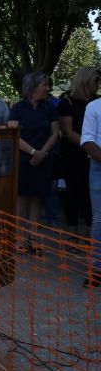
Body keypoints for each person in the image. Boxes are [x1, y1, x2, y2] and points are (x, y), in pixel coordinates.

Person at [7, 72, 60, 253]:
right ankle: (20, 239)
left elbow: (55, 133)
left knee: (37, 198)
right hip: (23, 158)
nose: (48, 88)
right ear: (32, 87)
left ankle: (34, 239)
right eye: (44, 85)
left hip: (44, 158)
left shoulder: (49, 107)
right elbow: (14, 134)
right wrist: (32, 152)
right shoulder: (18, 108)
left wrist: (42, 153)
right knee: (22, 199)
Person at [59, 67, 100, 247]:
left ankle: (90, 237)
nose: (98, 83)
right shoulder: (67, 103)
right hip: (75, 155)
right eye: (96, 79)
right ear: (85, 79)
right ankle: (73, 236)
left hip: (95, 155)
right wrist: (88, 146)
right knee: (74, 194)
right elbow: (67, 132)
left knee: (92, 200)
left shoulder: (97, 102)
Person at [81, 90, 101, 287]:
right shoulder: (94, 107)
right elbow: (87, 140)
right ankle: (97, 268)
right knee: (100, 219)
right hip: (99, 165)